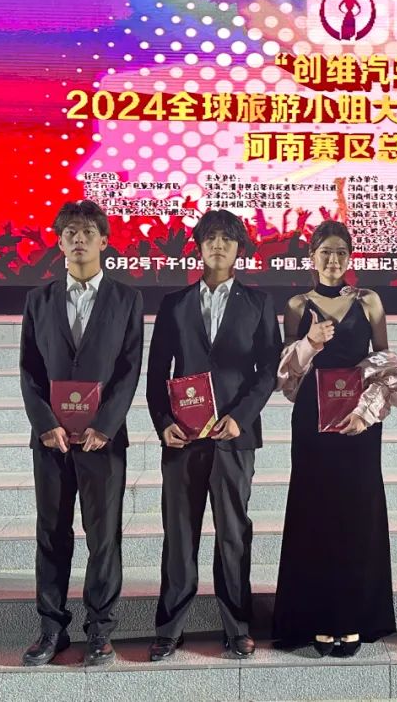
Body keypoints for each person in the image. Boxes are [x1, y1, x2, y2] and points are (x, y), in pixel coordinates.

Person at [272, 220, 397, 656]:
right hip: (311, 421)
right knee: (313, 511)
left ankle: (353, 617)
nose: (333, 260)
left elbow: (387, 365)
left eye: (340, 252)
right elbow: (286, 377)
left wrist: (366, 412)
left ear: (350, 257)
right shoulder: (296, 305)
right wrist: (310, 343)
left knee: (357, 514)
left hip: (359, 422)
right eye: (325, 252)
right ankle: (316, 617)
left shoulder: (369, 301)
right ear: (311, 257)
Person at [146, 209, 282, 661]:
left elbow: (268, 371)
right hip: (183, 438)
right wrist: (163, 421)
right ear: (199, 247)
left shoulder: (258, 302)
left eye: (226, 239)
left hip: (233, 436)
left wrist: (240, 417)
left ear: (239, 248)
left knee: (233, 533)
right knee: (179, 533)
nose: (218, 246)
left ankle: (237, 626)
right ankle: (170, 628)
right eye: (210, 239)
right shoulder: (175, 304)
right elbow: (156, 372)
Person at [18, 200, 145, 667]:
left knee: (103, 537)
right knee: (52, 533)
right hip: (51, 441)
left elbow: (129, 368)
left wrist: (105, 425)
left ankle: (100, 630)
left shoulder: (127, 299)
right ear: (59, 242)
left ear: (104, 241)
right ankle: (51, 628)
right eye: (70, 232)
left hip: (102, 441)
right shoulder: (39, 299)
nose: (78, 239)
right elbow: (29, 370)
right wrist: (45, 424)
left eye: (88, 232)